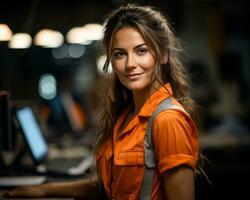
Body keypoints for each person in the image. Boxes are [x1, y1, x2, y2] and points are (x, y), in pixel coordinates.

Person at [5, 3, 201, 200]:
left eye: (141, 51)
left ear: (163, 54)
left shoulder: (168, 120)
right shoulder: (126, 115)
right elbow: (112, 188)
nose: (130, 64)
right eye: (120, 54)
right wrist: (46, 189)